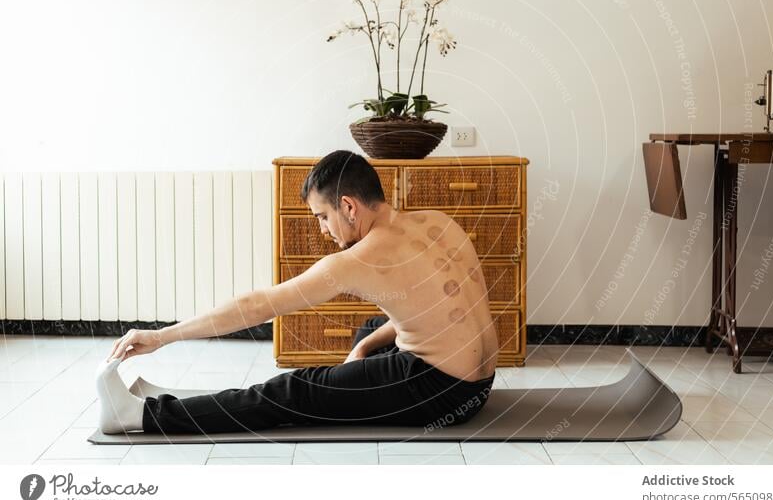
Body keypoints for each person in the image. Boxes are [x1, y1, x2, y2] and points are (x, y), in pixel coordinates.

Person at [96, 150, 498, 434]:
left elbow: (257, 306)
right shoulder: (438, 222)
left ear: (349, 207)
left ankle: (141, 416)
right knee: (371, 330)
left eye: (323, 217)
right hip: (479, 384)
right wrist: (362, 351)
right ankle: (357, 369)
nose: (324, 230)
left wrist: (161, 336)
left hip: (441, 392)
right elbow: (427, 308)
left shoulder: (358, 260)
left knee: (295, 390)